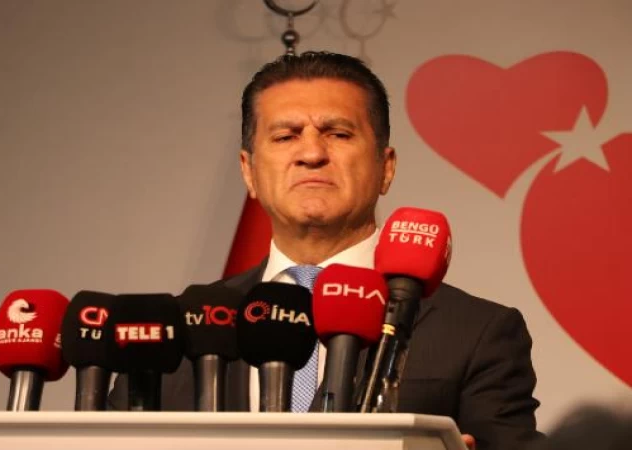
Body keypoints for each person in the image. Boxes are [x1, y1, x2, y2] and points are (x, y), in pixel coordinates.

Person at [109, 51, 542, 450]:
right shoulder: (175, 331)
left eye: (338, 133)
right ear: (249, 172)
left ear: (386, 167)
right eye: (285, 137)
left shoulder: (477, 332)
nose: (312, 153)